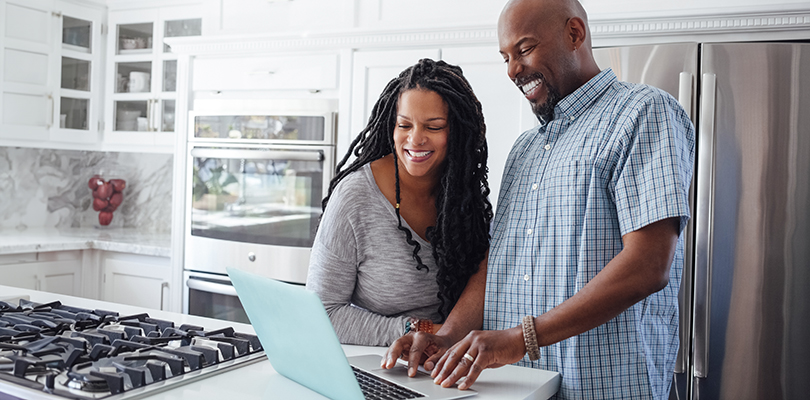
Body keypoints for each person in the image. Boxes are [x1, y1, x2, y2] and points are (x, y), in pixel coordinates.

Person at [382, 1, 696, 399]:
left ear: (574, 34)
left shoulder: (643, 113)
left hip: (604, 388)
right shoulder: (525, 149)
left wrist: (521, 338)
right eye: (506, 57)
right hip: (518, 389)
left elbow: (648, 265)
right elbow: (497, 263)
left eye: (525, 49)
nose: (513, 69)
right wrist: (445, 338)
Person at [306, 59, 493, 347]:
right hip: (375, 365)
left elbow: (482, 281)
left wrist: (444, 338)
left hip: (448, 361)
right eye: (404, 124)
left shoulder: (462, 195)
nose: (415, 139)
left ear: (457, 132)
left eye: (434, 126)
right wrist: (423, 330)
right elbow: (321, 313)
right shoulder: (354, 197)